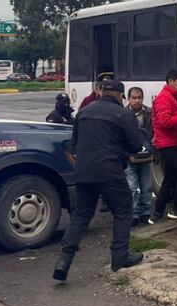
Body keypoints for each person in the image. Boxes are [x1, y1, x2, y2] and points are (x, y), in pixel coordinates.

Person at [54, 80, 151, 282]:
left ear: (101, 92)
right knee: (123, 211)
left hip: (83, 172)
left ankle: (63, 261)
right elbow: (135, 146)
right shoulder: (123, 114)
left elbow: (74, 143)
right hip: (110, 172)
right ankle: (119, 257)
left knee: (81, 215)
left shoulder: (84, 112)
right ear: (119, 95)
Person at [151, 69, 177, 221]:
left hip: (173, 142)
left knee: (169, 179)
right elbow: (164, 121)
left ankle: (157, 214)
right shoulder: (164, 98)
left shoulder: (175, 97)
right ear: (171, 82)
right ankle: (176, 207)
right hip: (167, 143)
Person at [125, 87, 154, 225]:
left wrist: (153, 150)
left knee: (147, 187)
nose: (137, 100)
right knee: (132, 188)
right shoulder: (123, 114)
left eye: (139, 98)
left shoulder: (149, 113)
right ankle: (133, 214)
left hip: (146, 156)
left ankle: (145, 213)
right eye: (134, 98)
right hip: (130, 156)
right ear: (129, 98)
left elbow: (155, 133)